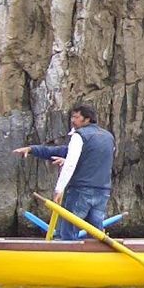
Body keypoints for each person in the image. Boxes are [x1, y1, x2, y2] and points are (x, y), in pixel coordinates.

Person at [14, 103, 115, 240]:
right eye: (72, 117)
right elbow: (87, 157)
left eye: (76, 117)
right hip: (103, 191)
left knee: (68, 232)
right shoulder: (109, 137)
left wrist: (59, 189)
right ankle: (97, 252)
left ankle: (66, 250)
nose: (72, 120)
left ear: (87, 119)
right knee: (96, 233)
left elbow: (70, 164)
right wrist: (33, 149)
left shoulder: (79, 136)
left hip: (81, 191)